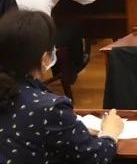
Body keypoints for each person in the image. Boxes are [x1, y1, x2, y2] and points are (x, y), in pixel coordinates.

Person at [0, 10, 124, 162]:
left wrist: (70, 129)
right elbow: (95, 157)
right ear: (45, 58)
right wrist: (111, 133)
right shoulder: (50, 108)